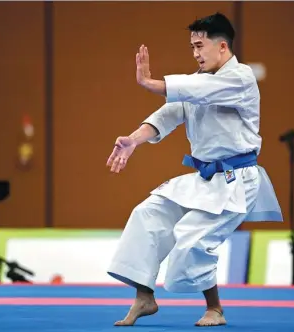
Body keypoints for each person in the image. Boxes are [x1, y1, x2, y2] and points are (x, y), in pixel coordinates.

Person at [106, 12, 283, 327]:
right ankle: (144, 295)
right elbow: (169, 113)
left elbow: (196, 92)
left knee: (191, 237)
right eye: (192, 47)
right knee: (147, 213)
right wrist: (133, 141)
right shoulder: (197, 83)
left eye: (200, 45)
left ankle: (214, 308)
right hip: (204, 179)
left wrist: (150, 83)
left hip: (236, 180)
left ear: (223, 47)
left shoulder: (240, 78)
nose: (196, 53)